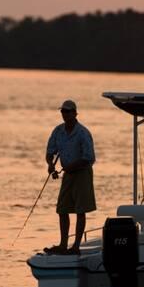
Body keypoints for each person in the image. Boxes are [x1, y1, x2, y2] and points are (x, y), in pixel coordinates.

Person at [44, 99, 96, 255]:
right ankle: (63, 244)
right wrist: (50, 165)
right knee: (62, 209)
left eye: (67, 111)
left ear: (74, 113)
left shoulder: (83, 133)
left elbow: (89, 158)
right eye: (62, 111)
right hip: (68, 174)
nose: (64, 114)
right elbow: (49, 152)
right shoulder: (58, 131)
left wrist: (71, 166)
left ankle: (75, 247)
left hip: (82, 173)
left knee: (81, 210)